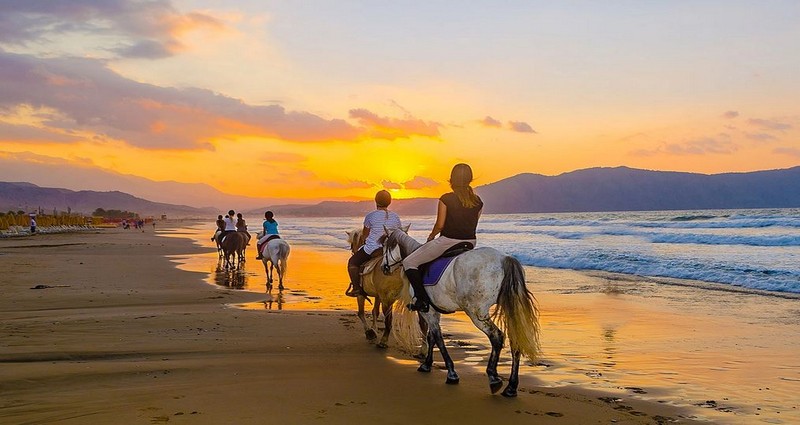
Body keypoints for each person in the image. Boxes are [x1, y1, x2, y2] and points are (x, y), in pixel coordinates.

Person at [402, 163, 483, 312]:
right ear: (470, 179)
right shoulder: (478, 201)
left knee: (409, 262)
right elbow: (474, 224)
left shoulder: (446, 199)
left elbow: (440, 225)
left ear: (452, 179)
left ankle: (421, 299)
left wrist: (431, 236)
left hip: (448, 241)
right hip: (470, 242)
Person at [346, 190, 402, 297]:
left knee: (352, 262)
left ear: (376, 201)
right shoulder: (395, 217)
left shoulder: (370, 216)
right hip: (390, 250)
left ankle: (356, 288)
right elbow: (398, 234)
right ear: (389, 202)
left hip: (373, 248)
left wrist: (365, 241)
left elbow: (365, 235)